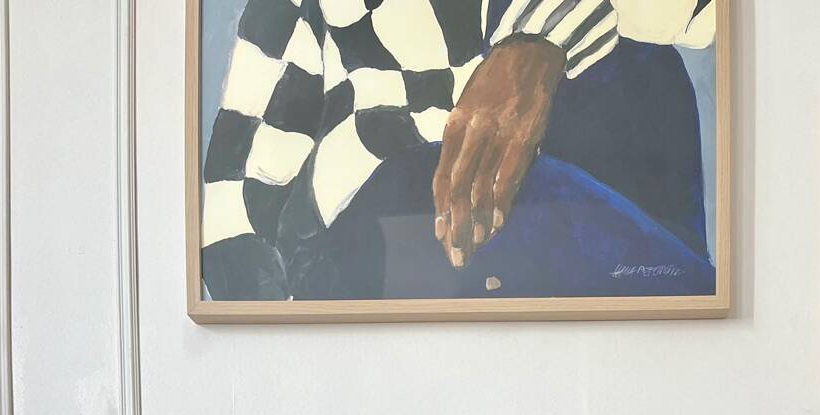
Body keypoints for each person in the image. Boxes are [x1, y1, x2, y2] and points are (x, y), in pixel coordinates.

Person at [201, 0, 717, 302]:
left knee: (641, 74)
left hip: (609, 227)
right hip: (383, 241)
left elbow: (706, 18)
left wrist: (541, 37)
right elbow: (236, 199)